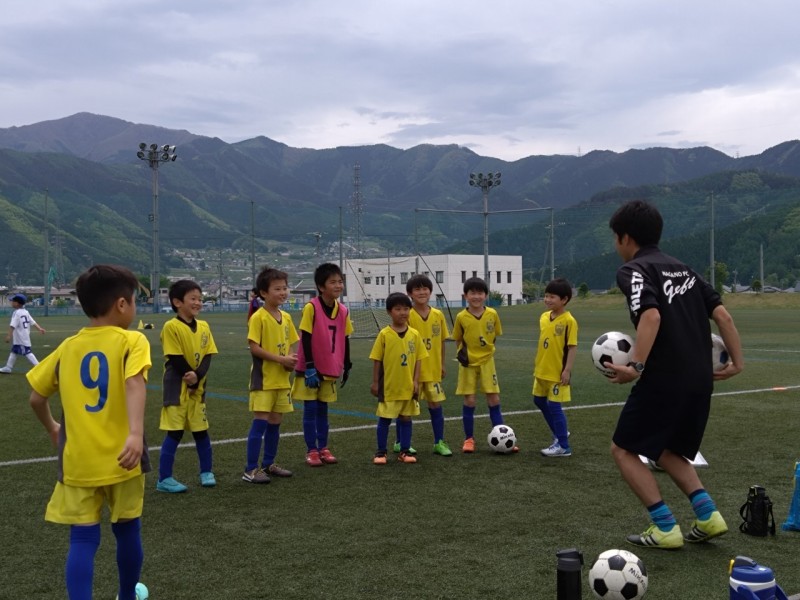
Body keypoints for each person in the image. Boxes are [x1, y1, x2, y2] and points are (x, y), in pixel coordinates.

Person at [605, 199, 744, 550]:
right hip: (699, 378)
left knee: (622, 449)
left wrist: (635, 367)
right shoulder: (684, 270)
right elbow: (723, 316)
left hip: (665, 377)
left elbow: (651, 316)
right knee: (668, 450)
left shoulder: (633, 270)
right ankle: (709, 516)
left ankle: (665, 527)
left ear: (624, 237)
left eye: (615, 238)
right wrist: (737, 363)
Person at [26, 264, 151, 600]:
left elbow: (36, 398)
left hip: (79, 461)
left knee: (82, 539)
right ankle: (127, 595)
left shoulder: (68, 347)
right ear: (122, 304)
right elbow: (134, 382)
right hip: (125, 457)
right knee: (127, 531)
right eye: (134, 301)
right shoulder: (132, 340)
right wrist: (135, 434)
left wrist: (53, 428)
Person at [155, 280, 218, 493]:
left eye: (200, 299)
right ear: (177, 302)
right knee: (174, 433)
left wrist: (197, 377)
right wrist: (189, 377)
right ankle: (164, 479)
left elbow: (208, 354)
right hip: (176, 387)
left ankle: (206, 472)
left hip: (197, 389)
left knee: (201, 432)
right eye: (193, 298)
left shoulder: (204, 326)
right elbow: (174, 357)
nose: (198, 302)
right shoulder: (171, 326)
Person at [291, 263, 353, 467]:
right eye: (333, 282)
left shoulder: (343, 310)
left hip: (330, 366)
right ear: (321, 286)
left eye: (340, 281)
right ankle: (312, 450)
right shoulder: (312, 307)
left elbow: (345, 337)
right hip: (310, 368)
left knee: (323, 409)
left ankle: (324, 447)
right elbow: (306, 337)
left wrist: (347, 364)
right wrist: (309, 366)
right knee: (310, 408)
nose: (338, 285)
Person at [243, 267, 299, 483]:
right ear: (264, 293)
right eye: (277, 289)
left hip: (282, 380)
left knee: (275, 422)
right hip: (264, 380)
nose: (283, 292)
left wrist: (290, 361)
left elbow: (291, 344)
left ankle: (268, 464)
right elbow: (254, 348)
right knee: (260, 422)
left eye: (285, 288)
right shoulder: (258, 317)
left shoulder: (286, 317)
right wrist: (280, 360)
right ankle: (250, 470)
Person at [452, 277, 517, 454]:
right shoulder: (461, 317)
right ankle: (469, 439)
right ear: (465, 295)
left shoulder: (492, 314)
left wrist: (487, 351)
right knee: (470, 400)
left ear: (486, 295)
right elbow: (458, 338)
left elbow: (494, 335)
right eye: (472, 293)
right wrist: (462, 353)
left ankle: (503, 438)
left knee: (494, 399)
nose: (476, 296)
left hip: (488, 362)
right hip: (468, 364)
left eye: (480, 293)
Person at [396, 274, 452, 457]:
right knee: (407, 408)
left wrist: (442, 364)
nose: (422, 292)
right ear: (410, 293)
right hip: (412, 372)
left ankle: (439, 442)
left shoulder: (438, 315)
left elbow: (441, 341)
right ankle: (400, 442)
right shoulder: (408, 315)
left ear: (430, 291)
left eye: (425, 288)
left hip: (433, 370)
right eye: (417, 289)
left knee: (435, 405)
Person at [369, 292, 428, 465]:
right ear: (389, 312)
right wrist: (375, 382)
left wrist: (416, 381)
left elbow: (419, 359)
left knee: (406, 418)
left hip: (407, 387)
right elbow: (377, 360)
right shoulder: (384, 334)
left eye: (406, 309)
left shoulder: (414, 334)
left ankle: (404, 451)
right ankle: (381, 452)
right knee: (385, 419)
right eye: (398, 309)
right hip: (389, 387)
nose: (403, 313)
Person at [532, 278, 578, 458]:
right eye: (546, 296)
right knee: (538, 400)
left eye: (552, 297)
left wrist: (567, 370)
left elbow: (572, 347)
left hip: (557, 373)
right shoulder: (544, 317)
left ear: (564, 299)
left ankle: (564, 447)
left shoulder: (569, 321)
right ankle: (560, 432)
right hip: (541, 369)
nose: (547, 300)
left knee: (554, 405)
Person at [1, 293, 46, 373]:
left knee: (27, 352)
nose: (11, 303)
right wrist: (40, 328)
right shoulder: (25, 312)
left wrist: (9, 336)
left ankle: (39, 367)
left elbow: (12, 325)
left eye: (13, 301)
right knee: (14, 351)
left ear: (17, 303)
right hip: (22, 337)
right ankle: (8, 367)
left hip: (21, 337)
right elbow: (33, 322)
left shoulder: (17, 313)